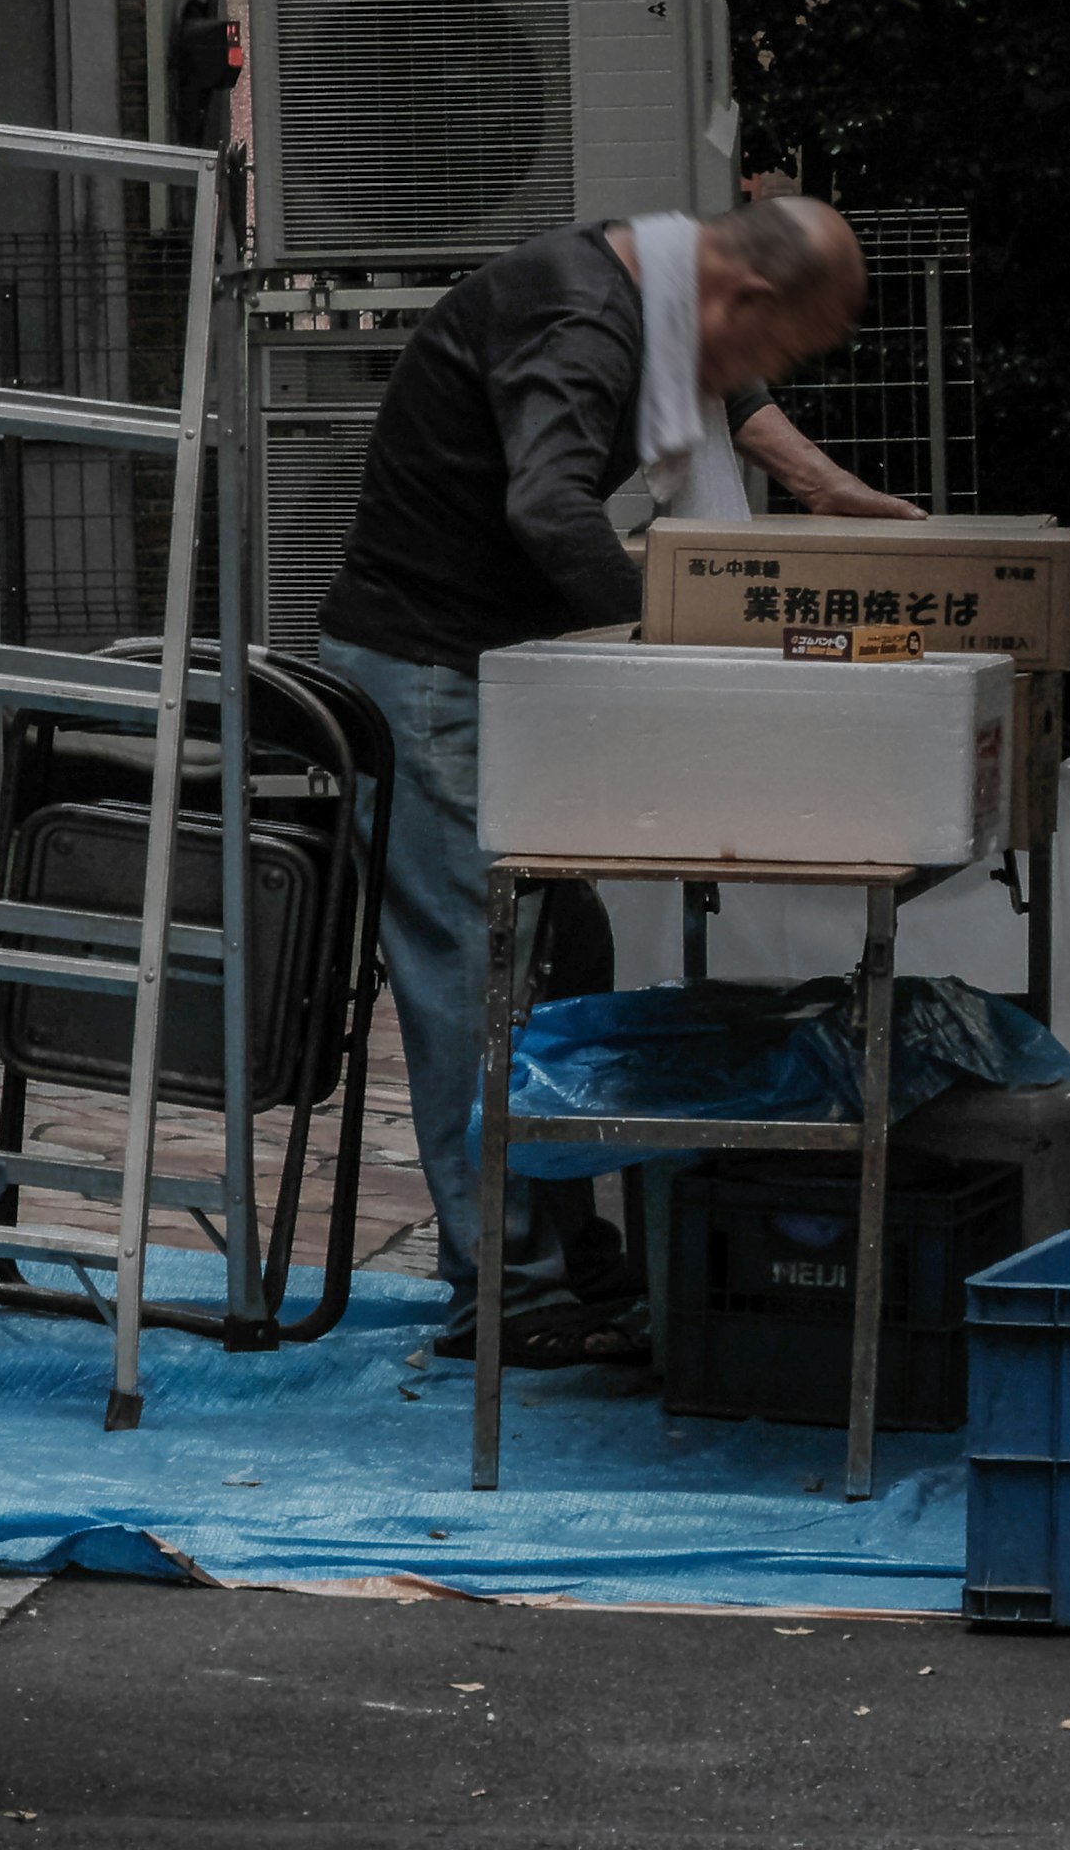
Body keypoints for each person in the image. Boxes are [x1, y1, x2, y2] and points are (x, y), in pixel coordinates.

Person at [315, 196, 906, 1363]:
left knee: (560, 951)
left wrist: (826, 488)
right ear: (742, 299)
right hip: (430, 668)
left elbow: (727, 387)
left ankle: (564, 1256)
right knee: (477, 975)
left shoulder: (662, 279)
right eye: (782, 345)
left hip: (485, 665)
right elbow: (547, 503)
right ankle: (509, 1292)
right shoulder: (587, 321)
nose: (760, 376)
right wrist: (677, 640)